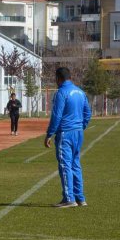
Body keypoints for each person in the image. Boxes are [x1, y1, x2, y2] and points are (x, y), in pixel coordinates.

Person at [44, 67, 92, 208]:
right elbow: (87, 113)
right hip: (78, 132)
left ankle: (69, 198)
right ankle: (80, 198)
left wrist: (49, 134)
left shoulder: (61, 93)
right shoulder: (80, 92)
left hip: (65, 133)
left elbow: (57, 115)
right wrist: (81, 126)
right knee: (75, 164)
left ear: (59, 78)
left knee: (65, 165)